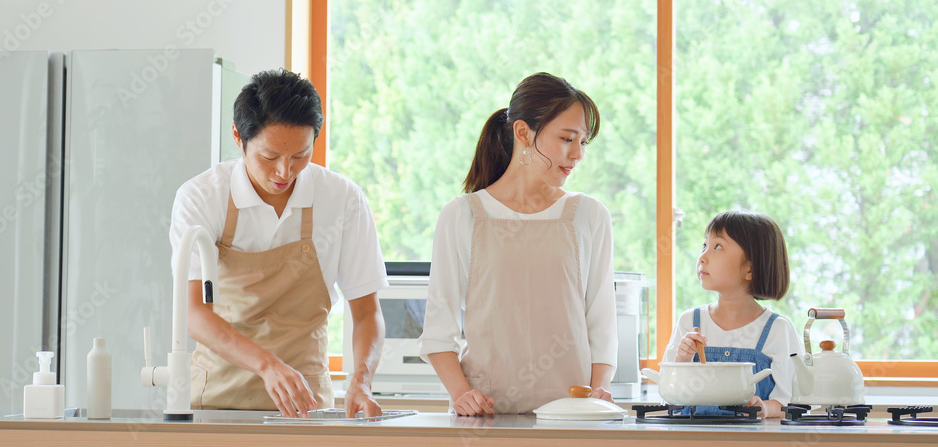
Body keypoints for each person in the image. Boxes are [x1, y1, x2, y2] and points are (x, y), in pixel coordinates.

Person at [169, 69, 388, 418]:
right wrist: (268, 365)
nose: (284, 172)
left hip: (306, 407)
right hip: (217, 402)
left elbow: (366, 313)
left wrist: (360, 382)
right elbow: (194, 313)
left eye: (300, 155)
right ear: (238, 137)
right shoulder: (202, 196)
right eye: (269, 157)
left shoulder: (342, 198)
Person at [419, 72, 618, 416]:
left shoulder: (590, 216)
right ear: (523, 133)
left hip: (572, 418)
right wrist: (462, 394)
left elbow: (601, 322)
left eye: (583, 142)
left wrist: (599, 392)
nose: (578, 154)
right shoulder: (461, 215)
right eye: (567, 139)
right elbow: (439, 330)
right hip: (484, 419)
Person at [662, 210, 803, 419]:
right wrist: (682, 359)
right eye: (704, 245)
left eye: (718, 246)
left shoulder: (777, 329)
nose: (702, 257)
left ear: (751, 270)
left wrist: (763, 408)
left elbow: (792, 401)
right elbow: (668, 393)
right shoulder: (689, 321)